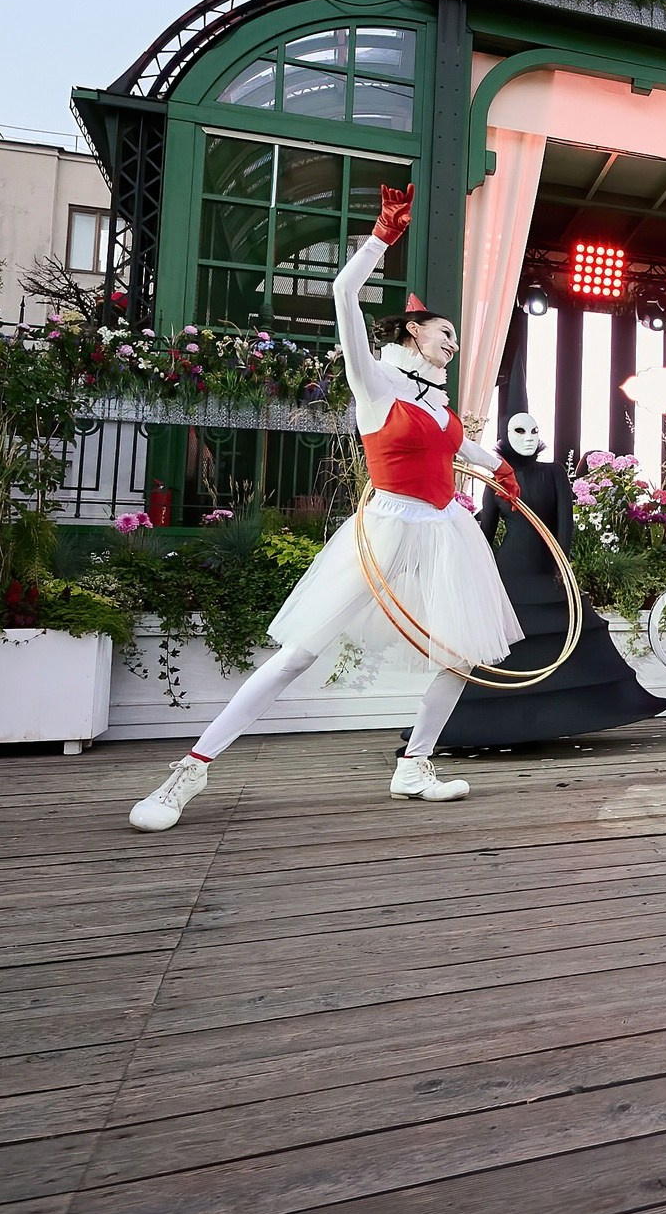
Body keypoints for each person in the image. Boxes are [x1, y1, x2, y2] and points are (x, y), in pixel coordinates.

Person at [128, 183, 523, 832]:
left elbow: (458, 442)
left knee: (459, 653)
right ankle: (188, 771)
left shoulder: (434, 402)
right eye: (444, 331)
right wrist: (380, 238)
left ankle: (414, 764)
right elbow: (345, 295)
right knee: (299, 652)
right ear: (412, 330)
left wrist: (494, 464)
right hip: (388, 524)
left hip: (444, 529)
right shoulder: (375, 383)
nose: (453, 342)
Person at [430, 411, 666, 752]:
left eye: (534, 430)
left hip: (550, 572)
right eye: (519, 430)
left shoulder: (553, 472)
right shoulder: (495, 479)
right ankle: (485, 725)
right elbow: (485, 533)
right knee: (508, 650)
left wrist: (563, 562)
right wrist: (469, 565)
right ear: (506, 435)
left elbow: (565, 523)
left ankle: (568, 716)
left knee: (570, 640)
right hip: (509, 573)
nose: (529, 436)